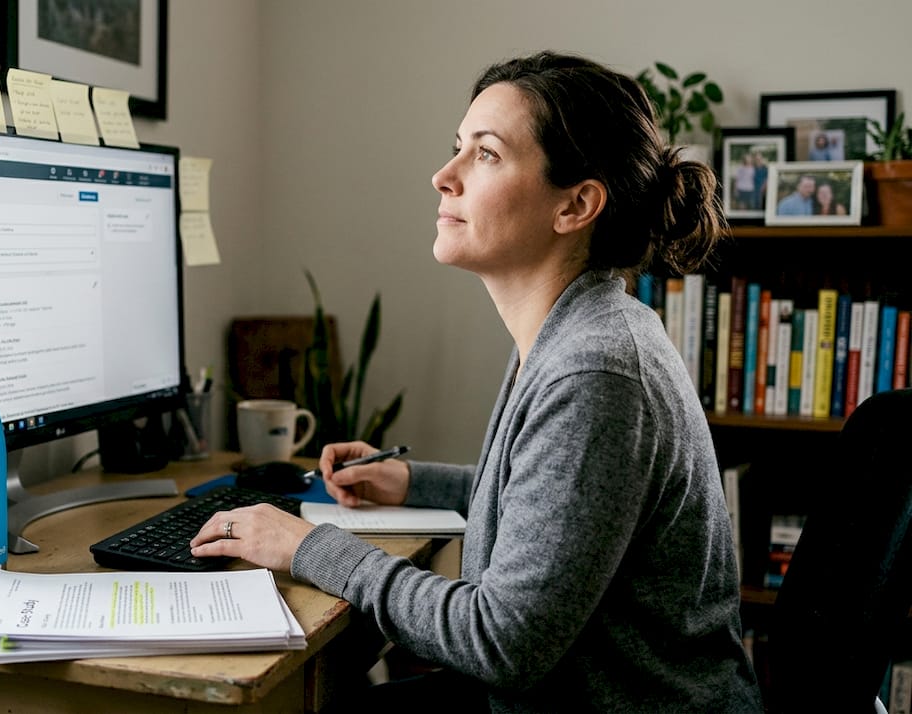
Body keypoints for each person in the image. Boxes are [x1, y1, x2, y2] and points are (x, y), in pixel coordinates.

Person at [190, 51, 761, 711]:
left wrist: (309, 547)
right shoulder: (577, 328)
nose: (443, 176)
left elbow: (501, 641)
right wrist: (411, 482)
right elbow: (552, 511)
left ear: (576, 204)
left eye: (485, 154)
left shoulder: (594, 368)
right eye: (457, 148)